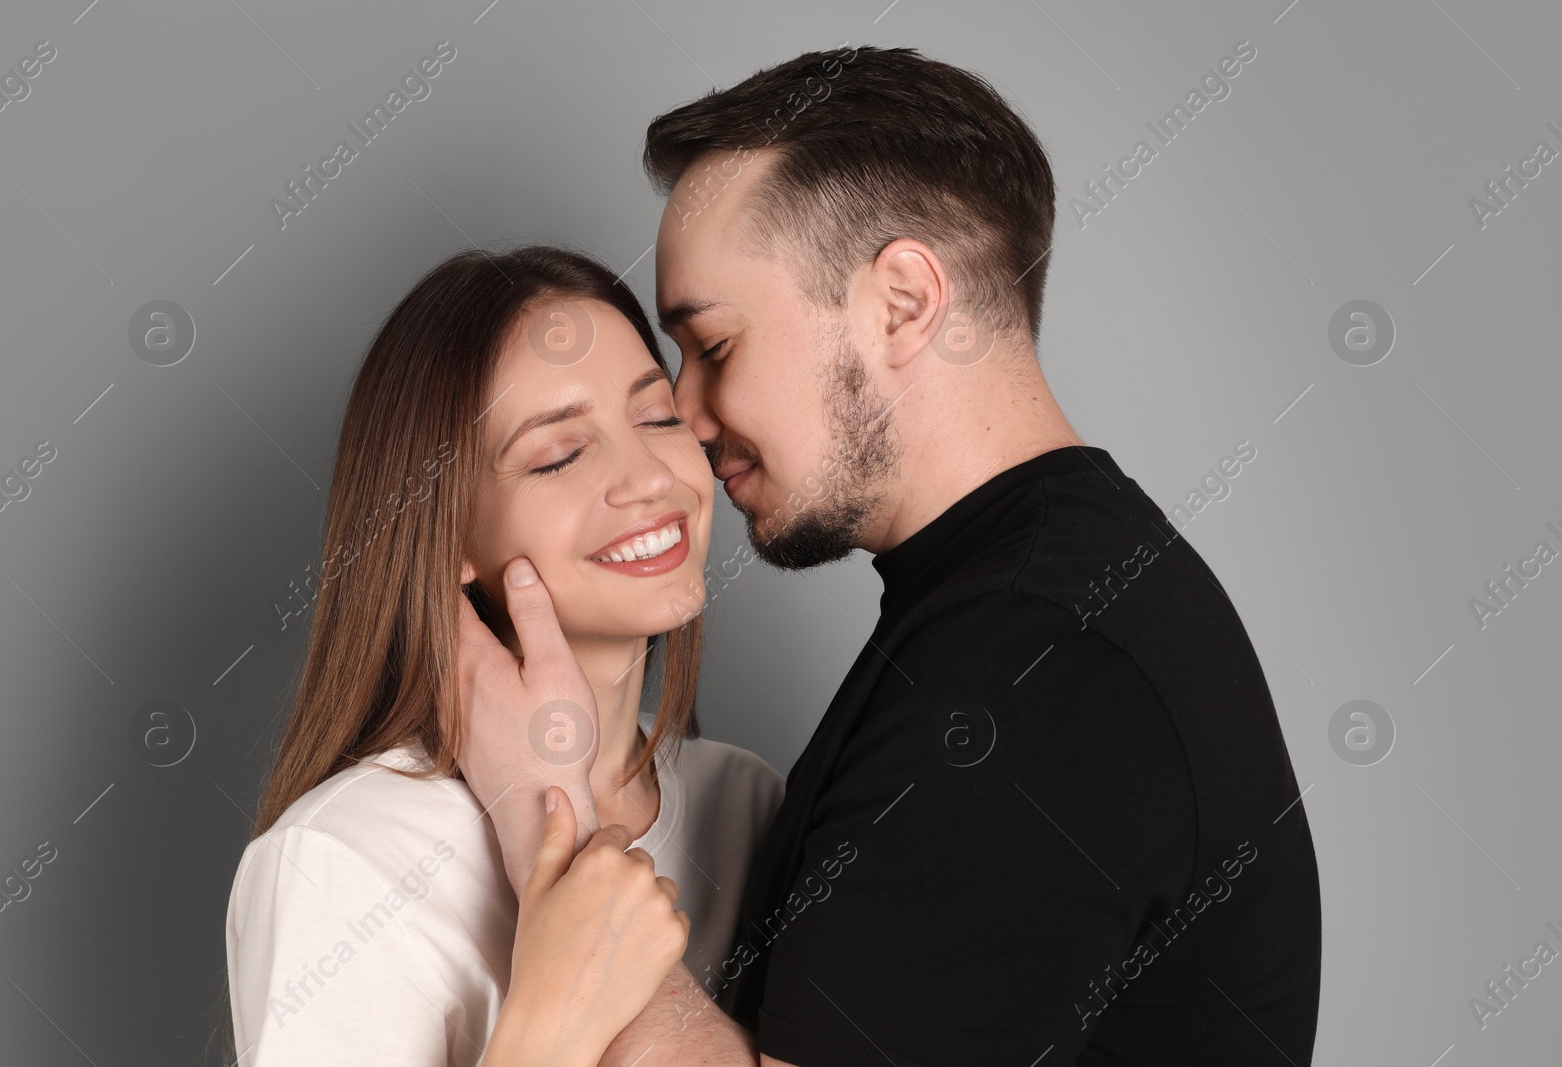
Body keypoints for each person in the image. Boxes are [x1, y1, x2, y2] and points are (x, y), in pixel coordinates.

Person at [505, 44, 1321, 1066]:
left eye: (712, 345)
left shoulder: (1034, 661)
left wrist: (551, 808)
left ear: (900, 301)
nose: (682, 409)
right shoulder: (1037, 600)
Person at [218, 246, 785, 1066]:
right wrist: (553, 1011)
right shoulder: (344, 856)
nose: (648, 478)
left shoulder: (748, 804)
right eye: (559, 454)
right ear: (446, 535)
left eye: (658, 417)